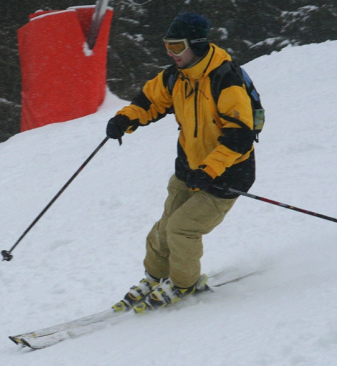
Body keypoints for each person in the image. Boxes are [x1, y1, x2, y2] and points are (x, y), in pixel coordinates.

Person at [106, 12, 256, 313]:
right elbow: (149, 102)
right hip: (189, 169)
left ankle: (184, 283)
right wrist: (124, 119)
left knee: (181, 229)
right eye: (167, 47)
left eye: (177, 47)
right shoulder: (176, 76)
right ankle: (156, 276)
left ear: (197, 46)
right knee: (163, 230)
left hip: (227, 176)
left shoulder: (226, 81)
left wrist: (210, 170)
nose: (171, 54)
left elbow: (240, 137)